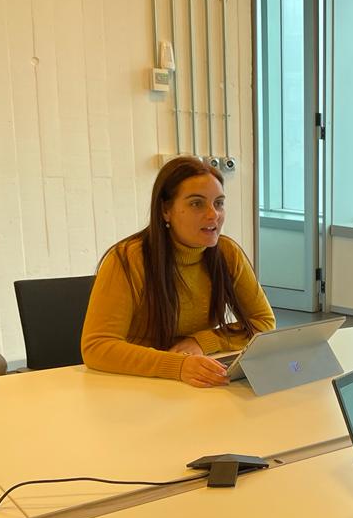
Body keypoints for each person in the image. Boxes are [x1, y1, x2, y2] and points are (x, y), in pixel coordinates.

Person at [82, 157, 275, 387]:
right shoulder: (127, 259)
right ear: (166, 210)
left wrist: (202, 342)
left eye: (219, 203)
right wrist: (178, 365)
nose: (213, 214)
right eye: (197, 204)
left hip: (193, 382)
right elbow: (97, 346)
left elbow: (263, 323)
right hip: (133, 384)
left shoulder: (227, 253)